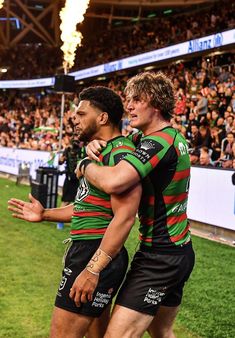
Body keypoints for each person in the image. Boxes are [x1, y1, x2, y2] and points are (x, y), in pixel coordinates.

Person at [8, 86, 141, 338]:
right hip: (91, 250)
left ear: (102, 118)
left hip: (95, 252)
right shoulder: (101, 151)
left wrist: (92, 269)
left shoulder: (119, 153)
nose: (74, 118)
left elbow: (125, 217)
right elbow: (85, 207)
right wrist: (45, 213)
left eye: (81, 113)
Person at [76, 72, 195, 338]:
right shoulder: (157, 139)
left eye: (137, 99)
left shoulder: (158, 142)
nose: (128, 106)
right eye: (128, 99)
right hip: (178, 250)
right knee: (162, 330)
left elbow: (115, 182)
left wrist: (85, 166)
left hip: (160, 257)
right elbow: (116, 144)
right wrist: (95, 144)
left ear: (156, 104)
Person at [58, 135, 85, 207]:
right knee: (66, 200)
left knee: (77, 201)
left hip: (78, 179)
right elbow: (60, 162)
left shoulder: (82, 150)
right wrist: (61, 159)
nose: (76, 142)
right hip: (69, 178)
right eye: (74, 140)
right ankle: (60, 217)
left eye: (77, 140)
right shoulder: (68, 150)